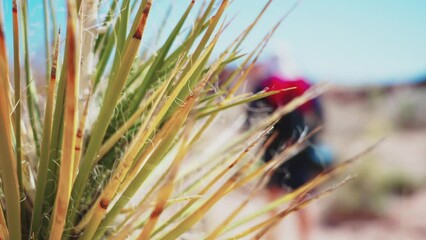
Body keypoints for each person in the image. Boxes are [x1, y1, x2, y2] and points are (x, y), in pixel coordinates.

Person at [246, 73, 332, 240]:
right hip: (301, 148)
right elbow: (320, 117)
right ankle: (305, 237)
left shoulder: (266, 83)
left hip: (273, 148)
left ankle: (273, 236)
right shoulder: (304, 85)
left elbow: (250, 116)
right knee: (302, 197)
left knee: (272, 196)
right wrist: (312, 139)